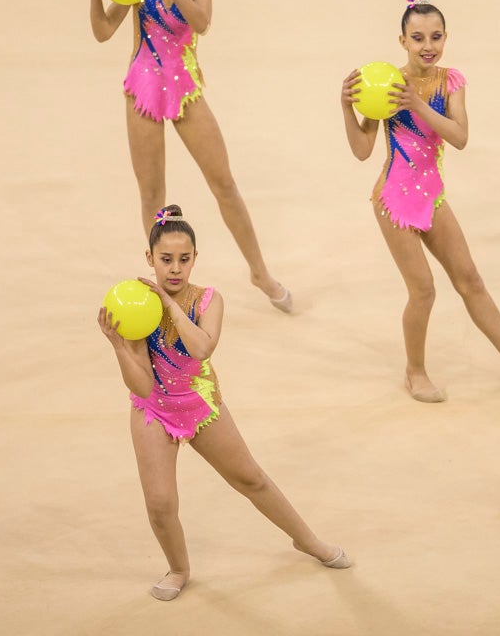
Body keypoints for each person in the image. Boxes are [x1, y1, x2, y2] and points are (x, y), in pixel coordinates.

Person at [97, 205, 349, 601]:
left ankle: (308, 540)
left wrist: (168, 303)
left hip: (200, 404)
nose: (175, 269)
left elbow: (202, 348)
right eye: (165, 260)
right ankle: (179, 568)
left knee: (251, 479)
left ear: (196, 258)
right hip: (154, 410)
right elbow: (143, 387)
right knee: (160, 502)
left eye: (184, 260)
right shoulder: (135, 306)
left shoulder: (209, 300)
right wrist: (119, 347)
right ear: (150, 259)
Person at [338, 0, 500, 403]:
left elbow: (459, 137)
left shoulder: (451, 81)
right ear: (402, 41)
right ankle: (415, 371)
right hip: (393, 200)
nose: (428, 46)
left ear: (445, 38)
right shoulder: (386, 83)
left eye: (436, 37)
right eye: (418, 38)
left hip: (432, 196)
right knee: (423, 289)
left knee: (471, 280)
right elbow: (361, 150)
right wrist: (345, 107)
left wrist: (417, 105)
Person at [89, 0, 291, 312]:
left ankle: (259, 271)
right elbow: (104, 31)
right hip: (142, 86)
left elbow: (201, 22)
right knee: (152, 195)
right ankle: (167, 289)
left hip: (184, 86)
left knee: (224, 183)